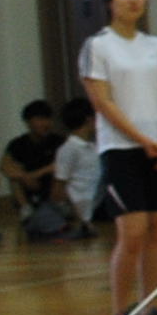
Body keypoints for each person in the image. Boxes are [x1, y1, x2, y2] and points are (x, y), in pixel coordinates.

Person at [80, 0, 157, 315]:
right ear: (110, 1)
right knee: (133, 233)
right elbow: (103, 102)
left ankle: (150, 311)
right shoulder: (98, 46)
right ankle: (119, 314)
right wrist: (143, 140)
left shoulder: (156, 46)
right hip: (121, 151)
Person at [0, 101, 65, 216]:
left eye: (48, 119)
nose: (45, 124)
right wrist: (24, 176)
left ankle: (59, 204)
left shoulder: (58, 141)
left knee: (59, 174)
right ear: (28, 122)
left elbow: (58, 166)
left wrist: (34, 175)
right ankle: (25, 209)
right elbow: (4, 166)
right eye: (40, 119)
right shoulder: (18, 143)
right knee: (14, 177)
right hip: (28, 186)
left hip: (51, 184)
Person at [52, 97, 102, 238]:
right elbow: (59, 187)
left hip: (95, 202)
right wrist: (78, 217)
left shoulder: (93, 146)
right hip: (85, 207)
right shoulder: (69, 149)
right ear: (89, 119)